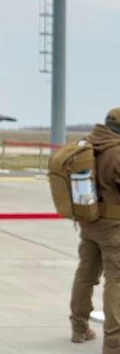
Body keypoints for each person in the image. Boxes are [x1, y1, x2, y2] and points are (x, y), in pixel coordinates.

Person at [70, 108, 120, 353]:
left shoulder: (88, 145)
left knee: (85, 275)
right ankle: (114, 344)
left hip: (89, 221)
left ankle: (79, 327)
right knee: (117, 281)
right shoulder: (117, 152)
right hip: (114, 227)